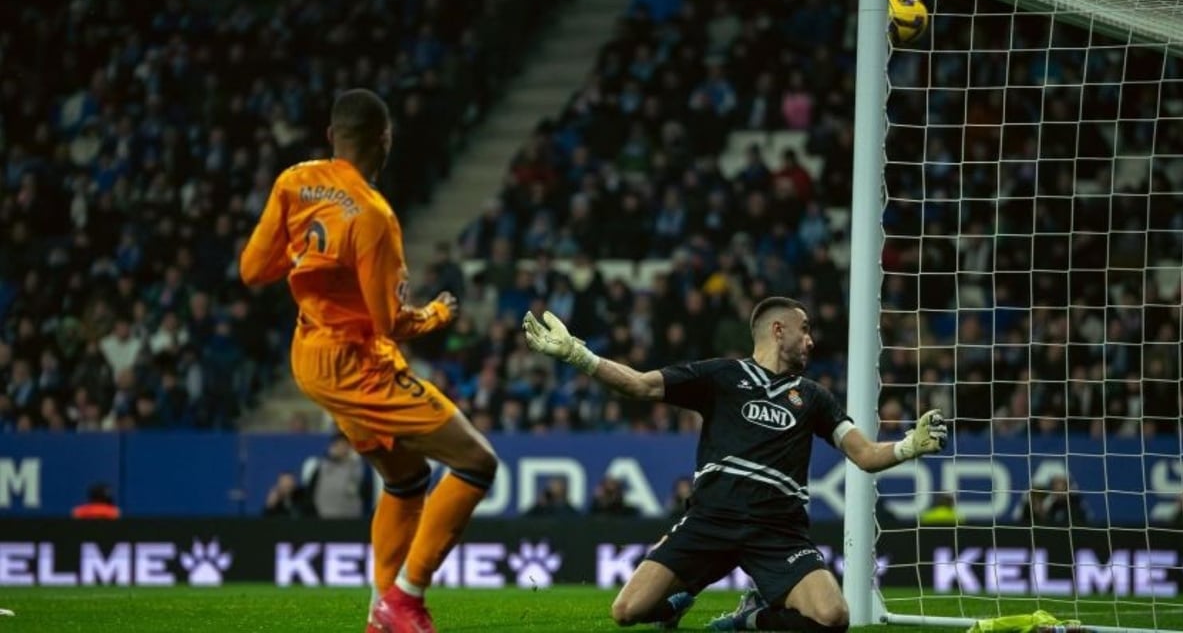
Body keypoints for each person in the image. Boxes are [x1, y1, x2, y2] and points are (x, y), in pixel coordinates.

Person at [523, 296, 948, 632]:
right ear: (778, 330)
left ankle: (750, 618)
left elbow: (865, 455)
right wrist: (578, 356)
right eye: (805, 330)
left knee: (832, 618)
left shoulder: (815, 397)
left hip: (778, 530)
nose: (811, 341)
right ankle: (677, 601)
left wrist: (909, 446)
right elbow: (639, 385)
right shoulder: (721, 376)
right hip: (711, 520)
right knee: (627, 611)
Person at [240, 88, 498, 633]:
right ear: (385, 140)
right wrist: (436, 314)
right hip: (357, 363)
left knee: (406, 479)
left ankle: (382, 614)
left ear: (333, 136)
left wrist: (309, 256)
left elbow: (252, 269)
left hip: (310, 354)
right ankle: (404, 599)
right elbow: (390, 322)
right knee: (477, 463)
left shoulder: (293, 181)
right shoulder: (376, 216)